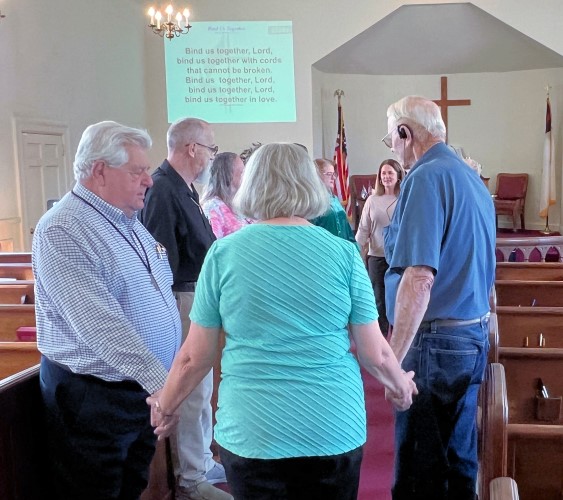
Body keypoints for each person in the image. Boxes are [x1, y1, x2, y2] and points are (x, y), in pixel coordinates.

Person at [147, 143, 418, 500]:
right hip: (331, 425)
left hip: (253, 429)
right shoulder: (343, 254)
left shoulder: (223, 254)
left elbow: (194, 356)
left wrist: (165, 405)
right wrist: (399, 385)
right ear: (309, 185)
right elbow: (375, 353)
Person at [32, 121, 182, 499]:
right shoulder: (63, 229)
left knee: (131, 487)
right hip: (93, 398)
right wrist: (162, 385)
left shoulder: (128, 221)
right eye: (137, 171)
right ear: (100, 171)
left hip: (136, 390)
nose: (148, 180)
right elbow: (99, 324)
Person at [381, 96, 496, 500]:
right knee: (457, 460)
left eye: (391, 139)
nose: (392, 148)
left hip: (436, 343)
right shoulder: (470, 178)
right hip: (471, 334)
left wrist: (392, 362)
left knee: (421, 470)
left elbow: (419, 278)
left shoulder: (426, 177)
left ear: (405, 133)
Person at [140, 118, 232, 500]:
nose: (211, 156)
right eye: (211, 148)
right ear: (192, 148)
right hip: (180, 299)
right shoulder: (163, 188)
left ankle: (203, 460)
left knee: (203, 386)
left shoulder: (186, 188)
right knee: (191, 389)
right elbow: (160, 262)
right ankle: (191, 478)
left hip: (197, 297)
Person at [355, 159, 404, 337]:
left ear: (398, 176)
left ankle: (398, 339)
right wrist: (356, 252)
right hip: (376, 257)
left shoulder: (405, 199)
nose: (386, 176)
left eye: (390, 173)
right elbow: (363, 229)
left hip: (400, 259)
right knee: (379, 301)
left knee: (399, 300)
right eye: (383, 173)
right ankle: (382, 339)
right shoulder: (372, 200)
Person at [201, 152, 255, 238]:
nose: (246, 177)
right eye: (242, 172)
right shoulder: (212, 208)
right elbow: (213, 244)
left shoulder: (241, 204)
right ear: (228, 175)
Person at [309, 158, 357, 244]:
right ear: (316, 175)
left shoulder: (334, 198)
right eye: (329, 174)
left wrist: (354, 246)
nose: (334, 177)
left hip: (343, 247)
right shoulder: (311, 201)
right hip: (325, 247)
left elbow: (346, 228)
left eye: (333, 174)